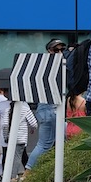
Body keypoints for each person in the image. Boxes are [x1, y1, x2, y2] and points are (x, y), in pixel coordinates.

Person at [26, 38, 69, 169]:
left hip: (49, 108)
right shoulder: (49, 65)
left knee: (48, 144)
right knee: (46, 144)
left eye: (62, 49)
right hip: (50, 108)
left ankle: (31, 172)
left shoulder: (55, 64)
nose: (60, 52)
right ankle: (30, 172)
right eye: (56, 50)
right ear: (49, 51)